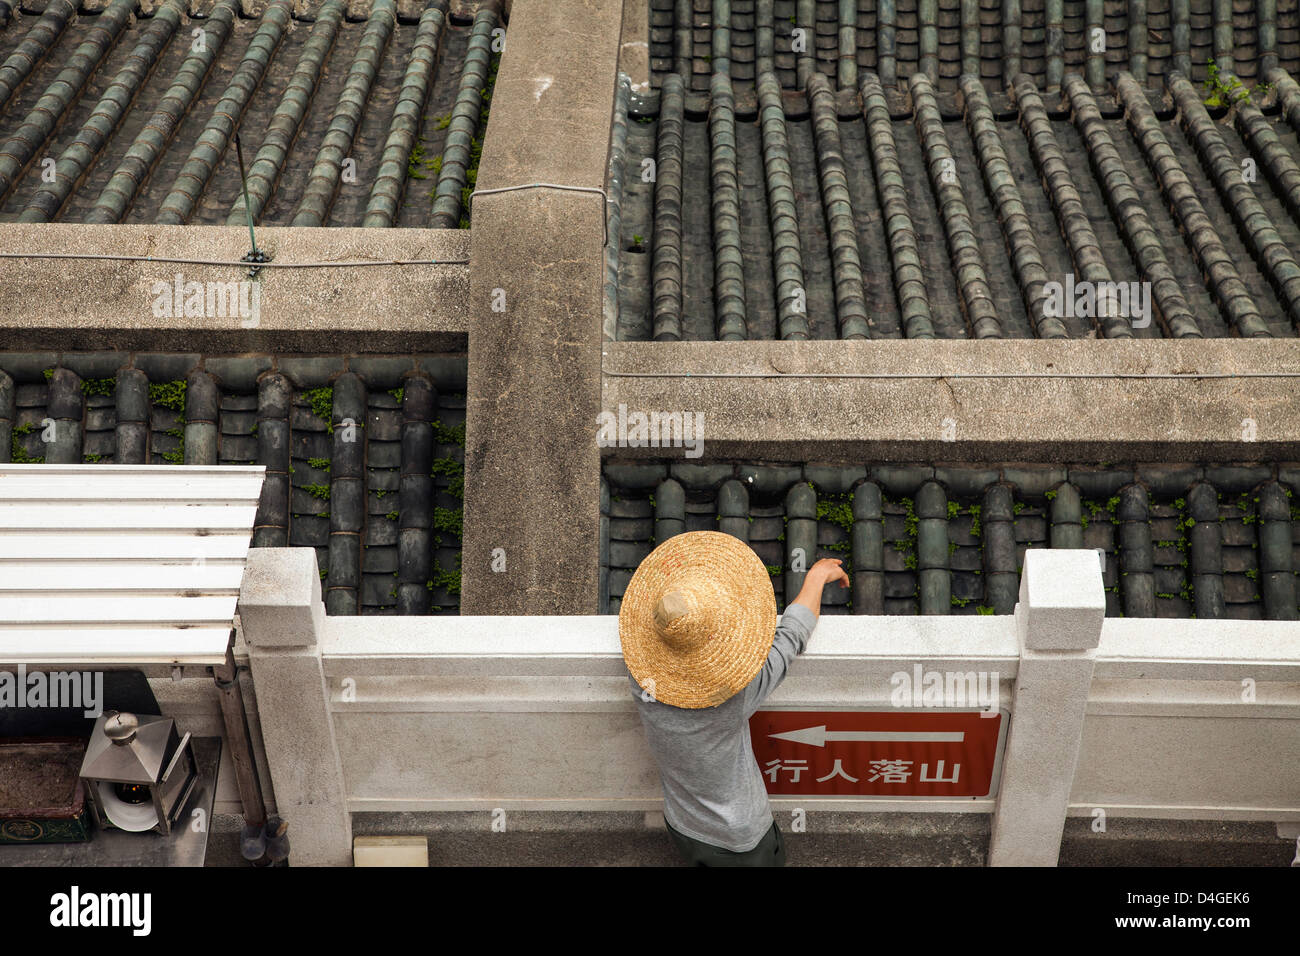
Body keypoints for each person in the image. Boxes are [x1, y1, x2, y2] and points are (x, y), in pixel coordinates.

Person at [618, 530, 850, 866]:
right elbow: (791, 636)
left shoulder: (641, 680)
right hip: (742, 840)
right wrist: (816, 576)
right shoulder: (732, 697)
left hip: (681, 823)